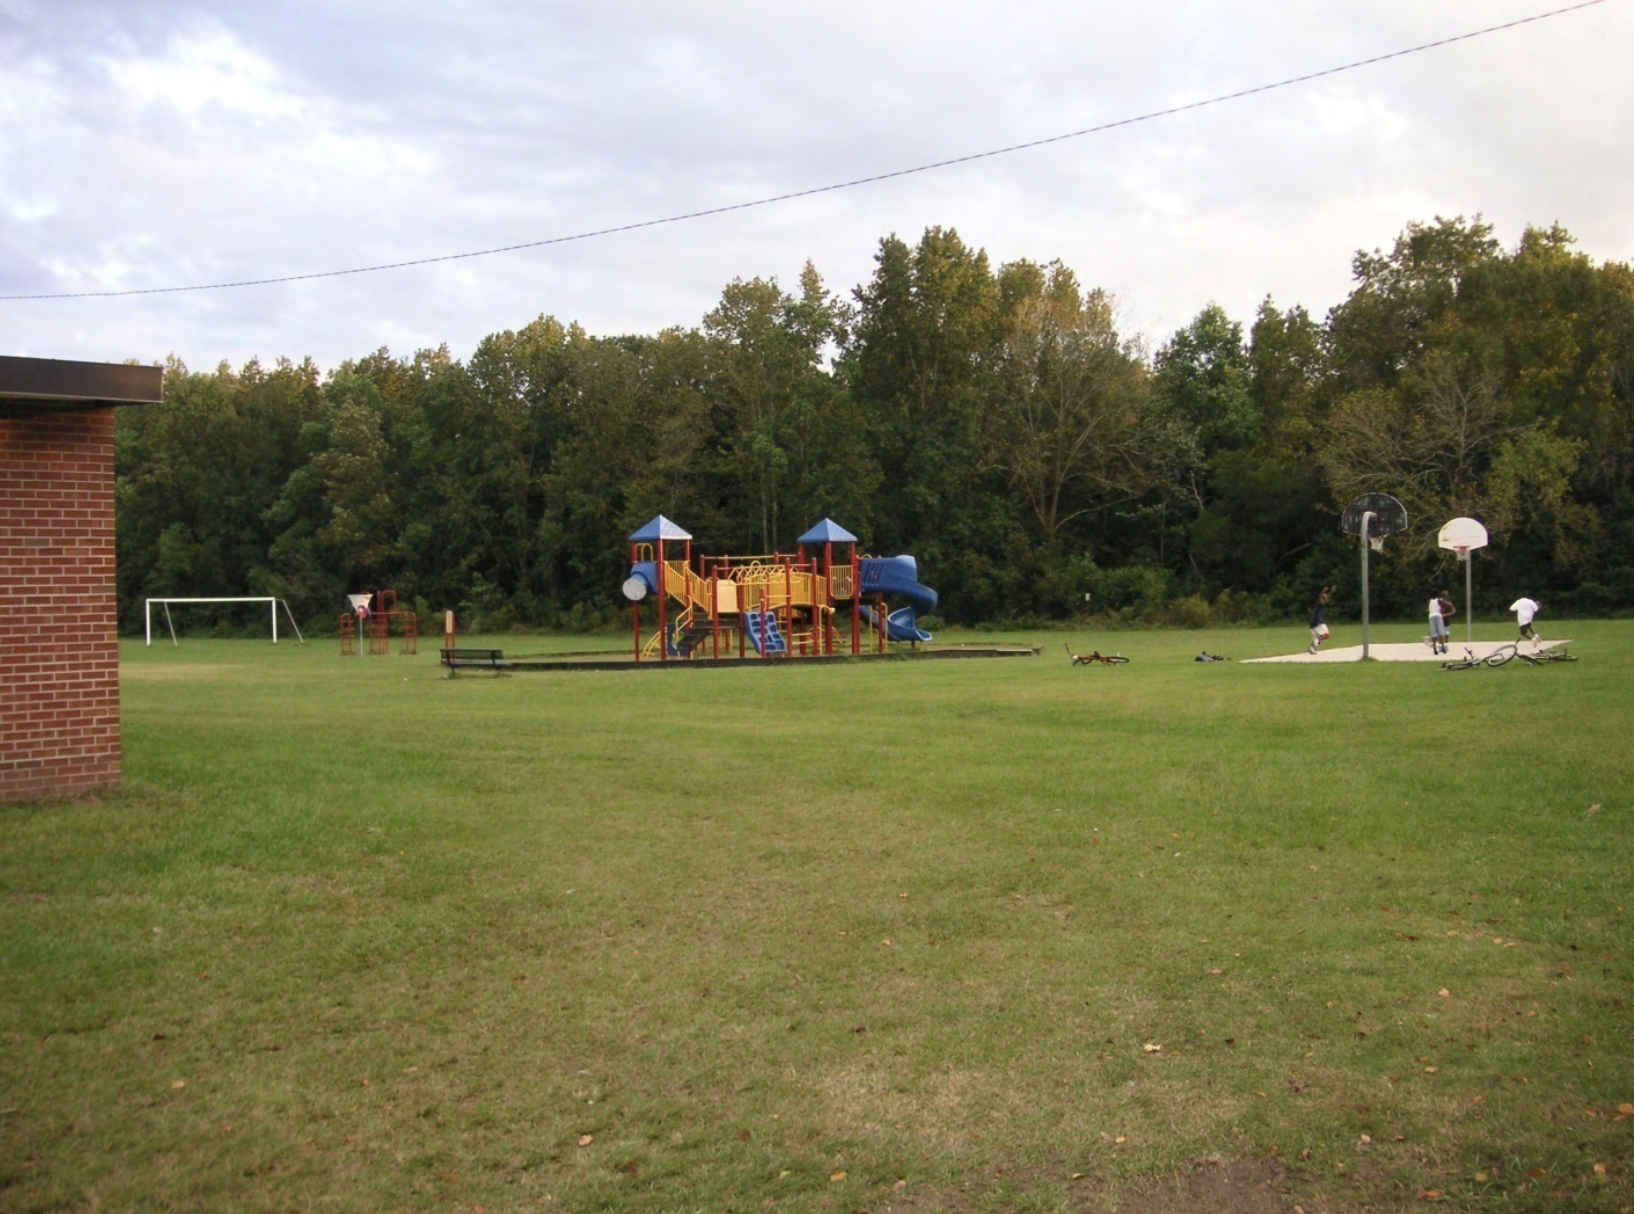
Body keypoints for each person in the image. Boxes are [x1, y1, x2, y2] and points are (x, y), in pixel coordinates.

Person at [1428, 590, 1455, 655]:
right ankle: (1443, 647)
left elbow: (1427, 609)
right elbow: (1449, 604)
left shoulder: (1429, 601)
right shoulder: (1439, 601)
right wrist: (1443, 607)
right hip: (1438, 616)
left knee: (1433, 633)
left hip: (1431, 616)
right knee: (1441, 632)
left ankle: (1434, 648)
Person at [1308, 586, 1333, 655]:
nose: (1327, 598)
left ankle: (1312, 647)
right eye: (1325, 597)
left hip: (1313, 622)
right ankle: (1312, 647)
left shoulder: (1321, 603)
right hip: (1317, 622)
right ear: (1322, 598)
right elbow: (1320, 598)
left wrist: (1331, 592)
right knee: (1325, 635)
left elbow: (1327, 598)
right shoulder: (1320, 603)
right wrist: (1322, 592)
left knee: (1318, 637)